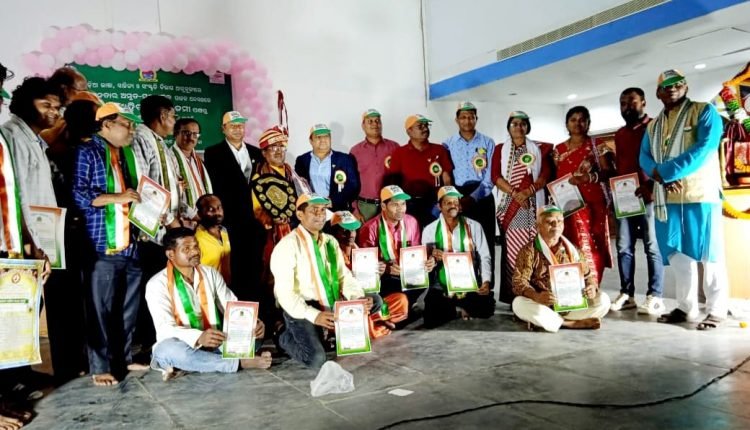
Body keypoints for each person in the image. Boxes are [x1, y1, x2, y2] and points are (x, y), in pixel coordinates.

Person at [639, 69, 729, 329]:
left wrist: (666, 172)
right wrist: (658, 173)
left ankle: (716, 309)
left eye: (677, 84)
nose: (672, 88)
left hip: (700, 195)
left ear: (686, 87)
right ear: (658, 93)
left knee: (709, 253)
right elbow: (644, 156)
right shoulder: (653, 126)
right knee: (678, 255)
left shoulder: (704, 111)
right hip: (667, 199)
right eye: (666, 86)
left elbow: (705, 148)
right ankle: (686, 307)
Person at [72, 102, 145, 386]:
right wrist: (118, 198)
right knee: (99, 309)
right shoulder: (87, 151)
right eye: (126, 124)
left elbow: (132, 196)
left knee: (128, 309)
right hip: (102, 244)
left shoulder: (125, 155)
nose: (131, 130)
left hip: (131, 243)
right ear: (106, 125)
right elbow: (78, 195)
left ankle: (123, 358)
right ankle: (100, 366)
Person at [145, 227, 271, 380]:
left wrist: (253, 323)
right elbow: (165, 329)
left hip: (215, 342)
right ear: (171, 254)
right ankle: (238, 363)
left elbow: (231, 305)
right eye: (186, 249)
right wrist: (199, 337)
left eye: (196, 246)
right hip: (185, 345)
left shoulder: (210, 273)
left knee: (253, 337)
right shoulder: (156, 284)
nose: (195, 252)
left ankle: (197, 364)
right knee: (166, 351)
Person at [270, 194, 378, 368]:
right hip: (303, 306)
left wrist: (357, 298)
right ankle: (282, 333)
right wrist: (315, 315)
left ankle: (325, 332)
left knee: (374, 300)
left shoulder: (330, 241)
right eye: (314, 210)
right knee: (316, 359)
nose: (320, 215)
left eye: (322, 210)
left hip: (330, 298)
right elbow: (285, 295)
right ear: (300, 214)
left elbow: (344, 276)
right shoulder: (287, 246)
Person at [0, 62, 51, 430]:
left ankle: (10, 388)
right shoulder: (12, 134)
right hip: (9, 242)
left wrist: (31, 242)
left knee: (15, 319)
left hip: (13, 241)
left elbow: (14, 196)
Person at [512, 205, 611, 332]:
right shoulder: (528, 251)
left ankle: (550, 321)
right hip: (543, 305)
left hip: (571, 305)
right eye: (550, 221)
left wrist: (591, 287)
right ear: (538, 226)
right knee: (518, 303)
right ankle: (568, 323)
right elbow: (518, 283)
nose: (556, 225)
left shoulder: (573, 250)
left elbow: (588, 276)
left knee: (603, 300)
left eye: (559, 221)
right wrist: (536, 296)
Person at [610, 88, 665, 315]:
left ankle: (655, 296)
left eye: (632, 102)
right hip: (625, 198)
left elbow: (662, 160)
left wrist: (650, 185)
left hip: (649, 196)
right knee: (624, 247)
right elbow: (621, 167)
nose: (627, 107)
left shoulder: (655, 127)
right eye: (623, 103)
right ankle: (627, 294)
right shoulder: (620, 134)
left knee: (652, 246)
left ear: (643, 102)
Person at [492, 111, 553, 304]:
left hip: (533, 206)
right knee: (513, 249)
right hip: (510, 207)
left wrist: (527, 192)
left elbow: (545, 175)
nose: (519, 127)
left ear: (528, 127)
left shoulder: (540, 149)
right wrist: (515, 194)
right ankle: (514, 295)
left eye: (523, 124)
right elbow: (495, 176)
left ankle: (536, 293)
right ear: (508, 127)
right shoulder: (500, 149)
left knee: (533, 250)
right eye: (515, 124)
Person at [203, 111, 263, 302]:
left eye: (240, 125)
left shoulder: (256, 152)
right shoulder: (213, 153)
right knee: (235, 266)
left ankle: (257, 306)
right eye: (232, 125)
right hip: (230, 220)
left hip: (255, 220)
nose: (237, 129)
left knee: (255, 265)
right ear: (223, 129)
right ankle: (237, 306)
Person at [552, 106, 614, 285]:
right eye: (573, 120)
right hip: (568, 205)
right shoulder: (558, 150)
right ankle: (573, 286)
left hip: (593, 204)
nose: (577, 123)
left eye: (582, 120)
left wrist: (589, 177)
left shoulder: (597, 145)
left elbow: (609, 172)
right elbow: (555, 176)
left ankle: (592, 285)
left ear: (588, 123)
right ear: (566, 124)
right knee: (569, 244)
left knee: (592, 244)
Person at [357, 185, 436, 322]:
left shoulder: (412, 222)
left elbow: (416, 251)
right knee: (391, 286)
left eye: (403, 204)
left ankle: (405, 306)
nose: (401, 209)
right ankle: (399, 310)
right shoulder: (369, 228)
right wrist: (387, 268)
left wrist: (428, 261)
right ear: (383, 206)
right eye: (395, 205)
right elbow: (365, 267)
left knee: (430, 272)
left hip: (407, 272)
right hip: (386, 278)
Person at [421, 186, 495, 328]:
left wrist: (486, 282)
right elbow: (425, 262)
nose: (453, 206)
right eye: (448, 203)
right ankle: (456, 307)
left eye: (455, 202)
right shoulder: (430, 230)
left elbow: (484, 256)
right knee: (431, 319)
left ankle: (457, 306)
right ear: (439, 206)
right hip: (442, 286)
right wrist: (431, 260)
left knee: (486, 309)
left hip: (469, 283)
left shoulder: (474, 226)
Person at [328, 210, 407, 338]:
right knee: (369, 309)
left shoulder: (359, 250)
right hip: (347, 299)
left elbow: (370, 282)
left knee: (401, 300)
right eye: (345, 230)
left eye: (353, 230)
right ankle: (376, 323)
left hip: (367, 294)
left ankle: (375, 318)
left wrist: (379, 272)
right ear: (334, 232)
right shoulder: (331, 254)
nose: (350, 234)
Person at [385, 114, 453, 228]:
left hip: (434, 204)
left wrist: (447, 201)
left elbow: (447, 179)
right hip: (408, 204)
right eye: (420, 126)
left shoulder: (440, 150)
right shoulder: (399, 153)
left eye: (426, 125)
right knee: (412, 235)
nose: (425, 128)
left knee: (435, 234)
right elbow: (394, 182)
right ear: (409, 131)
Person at [295, 123, 360, 211]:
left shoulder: (345, 159)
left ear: (330, 139)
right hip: (311, 210)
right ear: (311, 141)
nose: (323, 140)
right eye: (318, 137)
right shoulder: (302, 160)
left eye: (326, 136)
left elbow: (354, 186)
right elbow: (298, 186)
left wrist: (333, 201)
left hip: (337, 210)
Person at [349, 109, 399, 221]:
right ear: (363, 126)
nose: (375, 124)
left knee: (389, 233)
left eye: (377, 121)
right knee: (366, 233)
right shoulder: (355, 151)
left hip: (390, 203)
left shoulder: (394, 147)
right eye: (370, 121)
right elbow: (351, 183)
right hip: (365, 207)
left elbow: (401, 176)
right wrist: (355, 209)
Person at [171, 118, 212, 224]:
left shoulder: (199, 161)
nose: (191, 138)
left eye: (195, 134)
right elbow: (170, 193)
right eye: (186, 133)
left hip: (203, 219)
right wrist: (193, 215)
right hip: (181, 221)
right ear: (175, 134)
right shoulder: (169, 159)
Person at [194, 194, 231, 285]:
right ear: (199, 213)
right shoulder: (196, 239)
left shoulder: (224, 232)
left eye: (219, 207)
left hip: (225, 288)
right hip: (207, 289)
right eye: (210, 209)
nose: (217, 212)